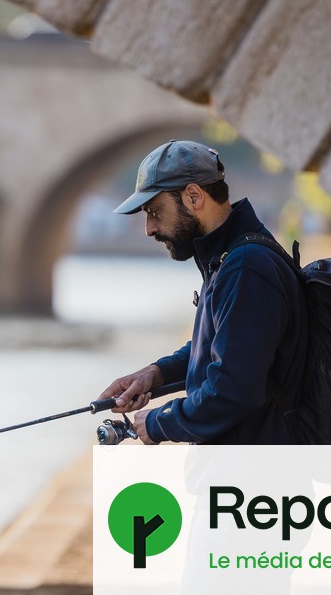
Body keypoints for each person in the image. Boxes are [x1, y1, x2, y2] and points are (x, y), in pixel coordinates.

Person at [101, 140, 307, 444]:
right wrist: (155, 374)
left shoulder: (247, 268)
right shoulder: (229, 259)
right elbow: (221, 348)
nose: (148, 228)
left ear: (194, 196)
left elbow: (234, 391)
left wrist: (158, 422)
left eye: (155, 211)